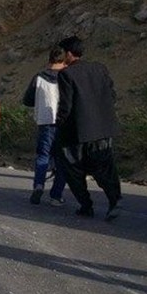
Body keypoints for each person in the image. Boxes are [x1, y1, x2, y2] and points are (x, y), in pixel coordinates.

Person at [55, 36, 121, 219]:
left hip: (77, 133)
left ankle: (86, 205)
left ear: (68, 53)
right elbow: (112, 95)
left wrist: (58, 125)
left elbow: (66, 107)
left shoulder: (66, 74)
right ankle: (115, 200)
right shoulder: (100, 68)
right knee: (105, 167)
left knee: (73, 169)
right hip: (102, 129)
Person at [23, 46, 67, 206]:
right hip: (63, 123)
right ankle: (56, 195)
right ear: (64, 61)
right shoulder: (67, 76)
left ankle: (39, 185)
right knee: (62, 159)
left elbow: (27, 100)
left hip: (45, 122)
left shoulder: (39, 77)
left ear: (49, 60)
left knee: (43, 156)